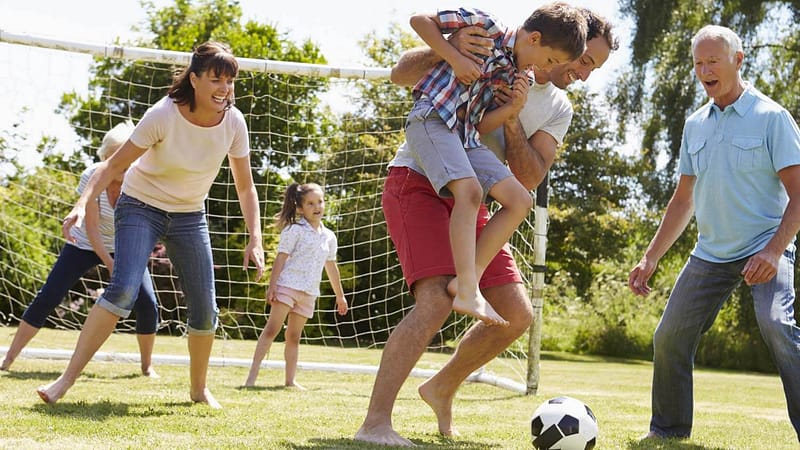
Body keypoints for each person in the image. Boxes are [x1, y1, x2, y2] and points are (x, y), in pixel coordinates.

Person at [354, 10, 617, 446]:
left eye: (592, 68)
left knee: (515, 316)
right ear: (561, 43)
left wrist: (513, 115)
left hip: (474, 199)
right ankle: (375, 422)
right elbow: (402, 74)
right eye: (586, 61)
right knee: (434, 301)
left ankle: (440, 386)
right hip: (420, 183)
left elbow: (528, 177)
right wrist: (451, 49)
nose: (583, 73)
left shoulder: (553, 103)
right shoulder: (498, 43)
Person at [37, 41, 265, 409]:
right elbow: (110, 167)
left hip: (190, 216)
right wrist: (82, 203)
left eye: (230, 81)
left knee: (205, 307)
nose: (225, 89)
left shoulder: (234, 124)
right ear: (194, 79)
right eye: (216, 79)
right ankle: (65, 380)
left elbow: (245, 185)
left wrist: (255, 237)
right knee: (124, 289)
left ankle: (199, 389)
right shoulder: (163, 114)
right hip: (141, 206)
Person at [628, 25, 800, 441]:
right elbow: (683, 200)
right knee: (669, 336)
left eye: (712, 61)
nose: (704, 71)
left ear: (738, 61)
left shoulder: (772, 117)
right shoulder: (695, 125)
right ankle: (667, 431)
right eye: (698, 63)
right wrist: (651, 257)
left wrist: (775, 252)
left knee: (777, 323)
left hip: (765, 246)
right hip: (710, 252)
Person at [404, 3, 587, 325]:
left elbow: (481, 127)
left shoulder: (519, 75)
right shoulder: (487, 26)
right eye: (550, 60)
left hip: (465, 136)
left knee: (520, 201)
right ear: (534, 38)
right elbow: (419, 20)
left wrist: (513, 109)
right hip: (432, 119)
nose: (547, 68)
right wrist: (455, 56)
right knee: (470, 192)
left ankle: (466, 280)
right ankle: (468, 292)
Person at [1, 122, 160, 377]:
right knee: (49, 295)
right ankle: (8, 359)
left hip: (124, 246)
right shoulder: (93, 175)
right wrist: (110, 263)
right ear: (106, 156)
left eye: (126, 157)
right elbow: (93, 228)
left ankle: (146, 366)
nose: (121, 163)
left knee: (148, 302)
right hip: (84, 243)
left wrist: (123, 260)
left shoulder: (139, 179)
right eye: (114, 157)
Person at [243, 182, 348, 389]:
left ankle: (290, 381)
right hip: (287, 286)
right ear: (300, 208)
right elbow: (281, 259)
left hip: (309, 292)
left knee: (293, 337)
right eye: (310, 203)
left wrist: (340, 295)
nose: (317, 206)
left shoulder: (329, 237)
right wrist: (272, 286)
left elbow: (331, 267)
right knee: (272, 330)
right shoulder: (294, 230)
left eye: (320, 201)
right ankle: (251, 379)